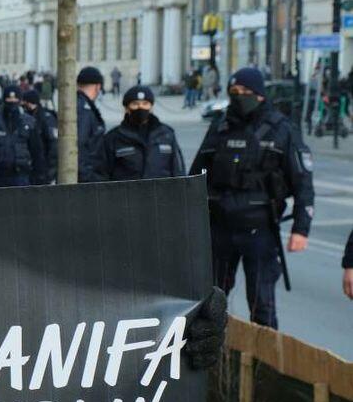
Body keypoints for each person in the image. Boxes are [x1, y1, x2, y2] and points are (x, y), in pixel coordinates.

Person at [189, 67, 314, 329]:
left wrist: (300, 229)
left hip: (260, 230)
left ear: (260, 94)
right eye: (234, 91)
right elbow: (196, 176)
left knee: (261, 305)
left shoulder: (282, 129)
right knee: (209, 304)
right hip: (220, 228)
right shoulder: (220, 126)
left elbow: (302, 182)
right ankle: (215, 354)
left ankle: (262, 355)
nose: (239, 96)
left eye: (245, 91)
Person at [95, 86, 185, 180]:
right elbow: (102, 174)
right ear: (126, 108)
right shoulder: (113, 138)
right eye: (135, 104)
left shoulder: (167, 134)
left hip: (161, 189)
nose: (140, 107)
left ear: (151, 107)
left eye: (145, 104)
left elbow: (178, 170)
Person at [0, 85, 45, 187]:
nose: (12, 102)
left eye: (15, 99)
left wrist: (38, 176)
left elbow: (37, 151)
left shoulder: (29, 123)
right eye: (9, 99)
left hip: (22, 175)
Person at [74, 66, 108, 182]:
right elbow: (80, 145)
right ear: (98, 87)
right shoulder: (84, 110)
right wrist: (89, 179)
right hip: (87, 178)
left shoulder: (77, 104)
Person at [21, 88, 57, 184]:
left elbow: (53, 144)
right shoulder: (26, 116)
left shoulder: (46, 117)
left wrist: (49, 169)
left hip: (43, 166)